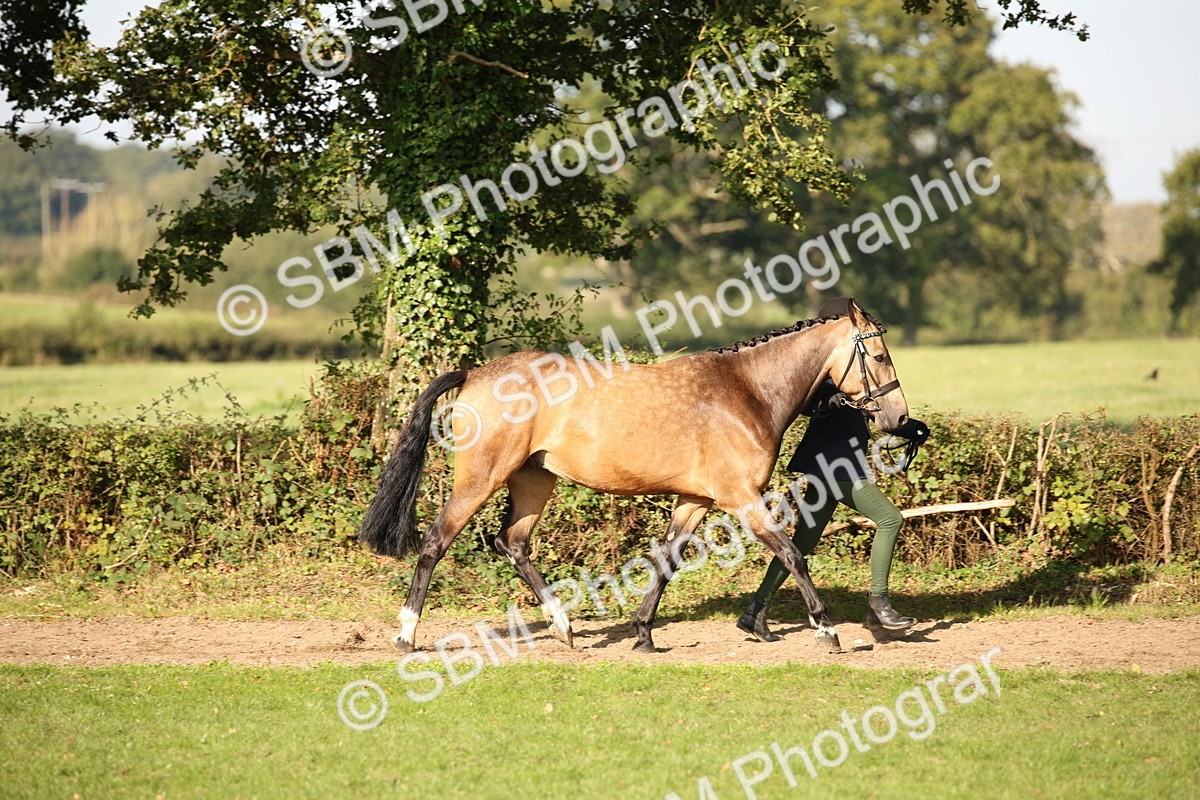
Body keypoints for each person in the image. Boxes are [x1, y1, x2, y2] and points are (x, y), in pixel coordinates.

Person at [736, 376, 930, 642]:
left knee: (801, 544)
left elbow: (875, 415)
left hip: (827, 469)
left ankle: (755, 612)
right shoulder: (829, 375)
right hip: (835, 471)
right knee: (890, 519)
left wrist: (910, 429)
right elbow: (809, 405)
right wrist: (831, 401)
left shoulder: (857, 379)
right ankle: (878, 604)